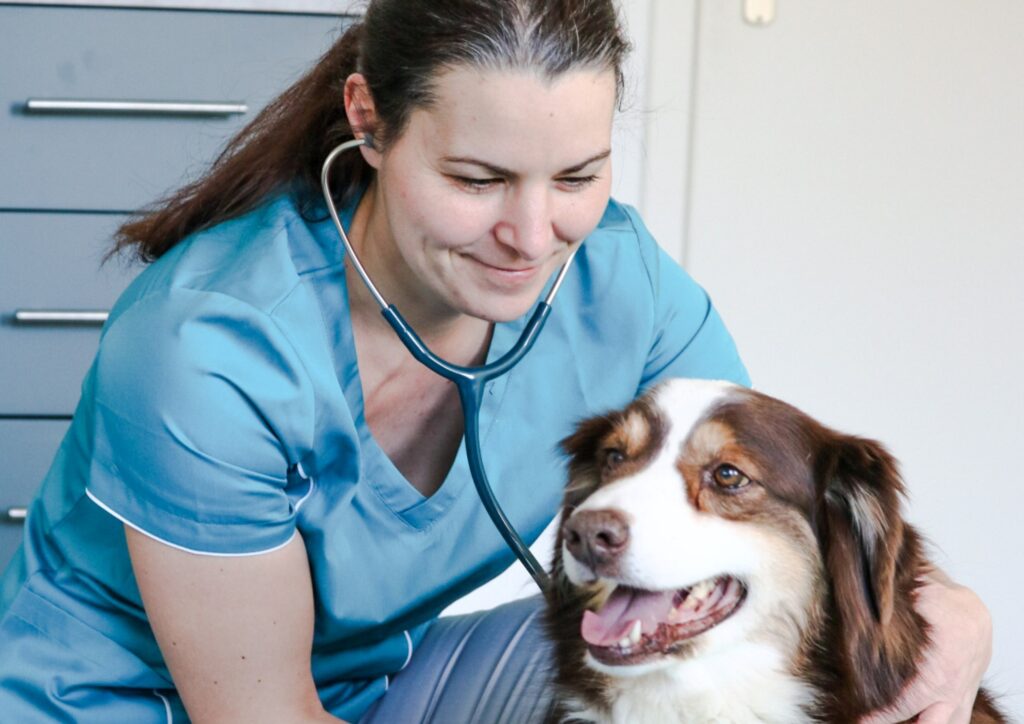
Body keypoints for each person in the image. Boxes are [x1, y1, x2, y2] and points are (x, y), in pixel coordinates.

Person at [0, 1, 992, 722]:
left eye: (577, 175)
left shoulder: (616, 278)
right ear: (369, 120)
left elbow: (760, 512)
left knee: (702, 648)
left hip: (385, 683)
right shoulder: (203, 350)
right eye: (477, 179)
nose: (531, 234)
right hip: (136, 706)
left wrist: (958, 619)